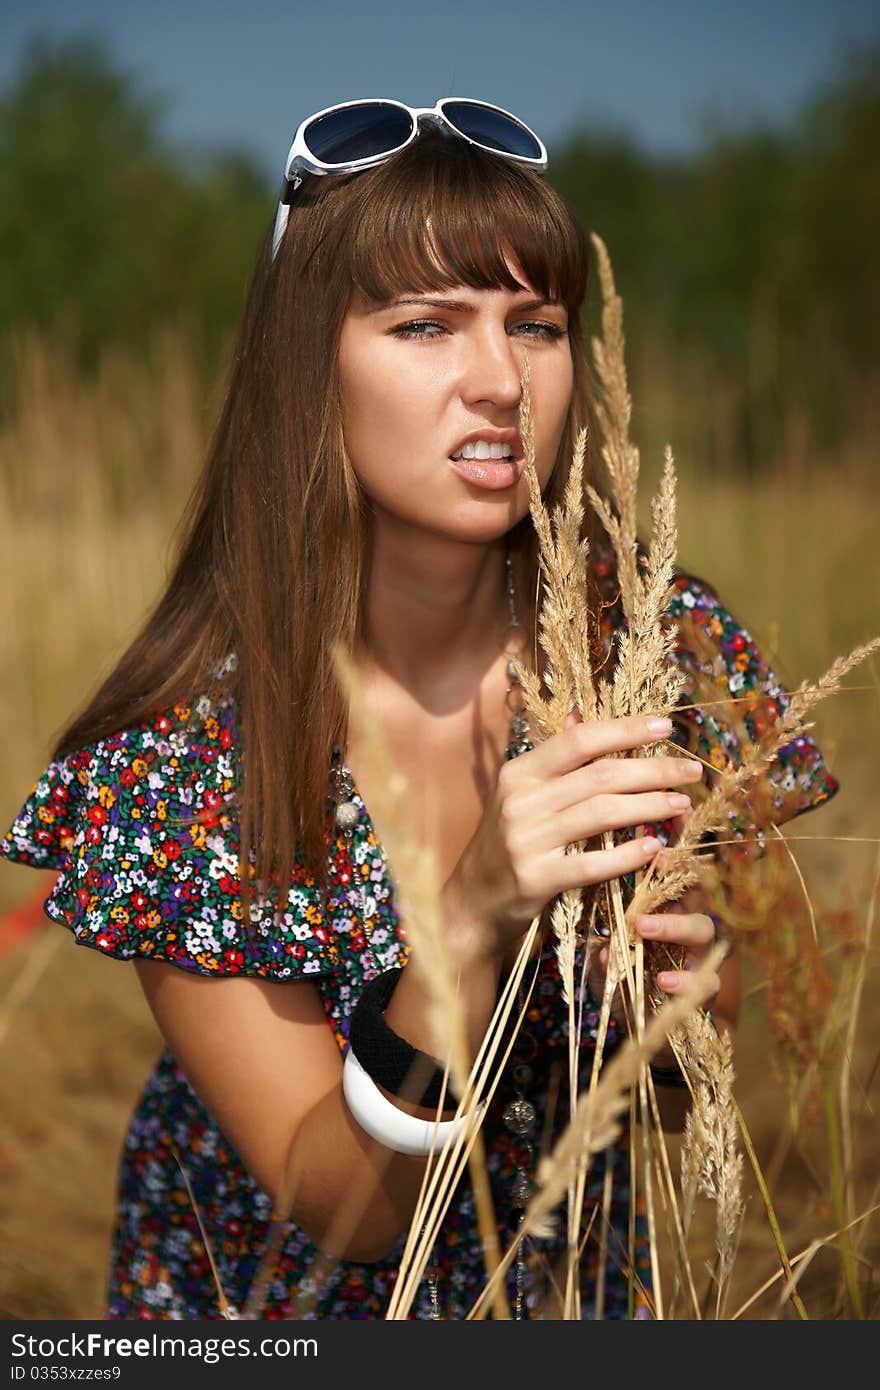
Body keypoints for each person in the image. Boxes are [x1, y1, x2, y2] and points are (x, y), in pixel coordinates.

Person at [1, 99, 838, 1321]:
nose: (500, 382)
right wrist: (469, 923)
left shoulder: (652, 650)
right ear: (307, 364)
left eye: (537, 325)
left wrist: (686, 1004)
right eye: (425, 325)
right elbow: (342, 1211)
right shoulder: (174, 758)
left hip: (569, 1297)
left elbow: (680, 1101)